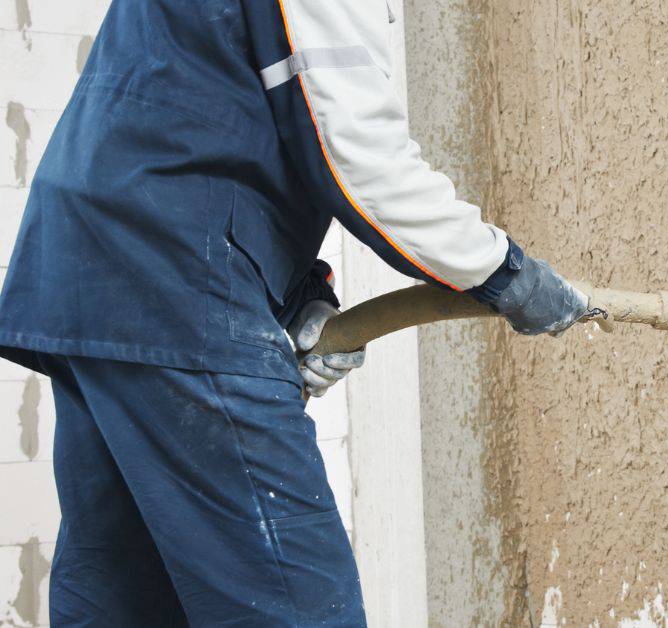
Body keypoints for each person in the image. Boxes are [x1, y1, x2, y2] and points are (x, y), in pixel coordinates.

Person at [0, 0, 589, 625]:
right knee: (301, 608)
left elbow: (206, 110)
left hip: (93, 275)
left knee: (126, 599)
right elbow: (362, 158)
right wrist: (508, 275)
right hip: (173, 279)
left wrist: (304, 294)